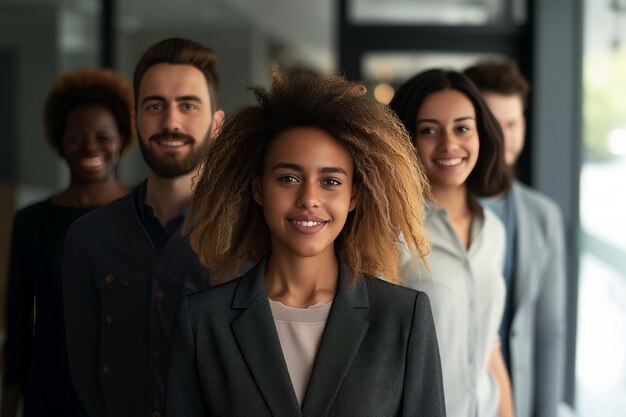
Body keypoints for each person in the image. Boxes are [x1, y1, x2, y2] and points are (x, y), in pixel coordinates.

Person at [164, 69, 447, 417]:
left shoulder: (403, 317)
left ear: (353, 196)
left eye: (330, 181)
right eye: (288, 178)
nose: (309, 198)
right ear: (258, 189)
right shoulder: (204, 321)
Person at [62, 38, 225, 417]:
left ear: (216, 124)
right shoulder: (88, 238)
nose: (171, 122)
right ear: (135, 121)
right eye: (155, 106)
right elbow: (84, 372)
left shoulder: (247, 237)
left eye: (188, 105)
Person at [1, 68, 133, 417]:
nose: (90, 146)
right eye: (76, 136)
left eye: (103, 136)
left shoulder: (147, 213)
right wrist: (10, 404)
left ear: (123, 137)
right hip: (51, 390)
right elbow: (18, 328)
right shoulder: (31, 222)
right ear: (59, 141)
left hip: (133, 391)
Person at [389, 69, 514, 417]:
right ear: (406, 139)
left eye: (462, 128)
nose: (449, 144)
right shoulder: (391, 232)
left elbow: (489, 344)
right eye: (429, 130)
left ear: (481, 135)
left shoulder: (494, 232)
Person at [464, 59, 566, 417]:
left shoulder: (544, 217)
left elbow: (549, 330)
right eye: (493, 124)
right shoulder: (432, 211)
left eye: (512, 123)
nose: (504, 137)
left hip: (513, 401)